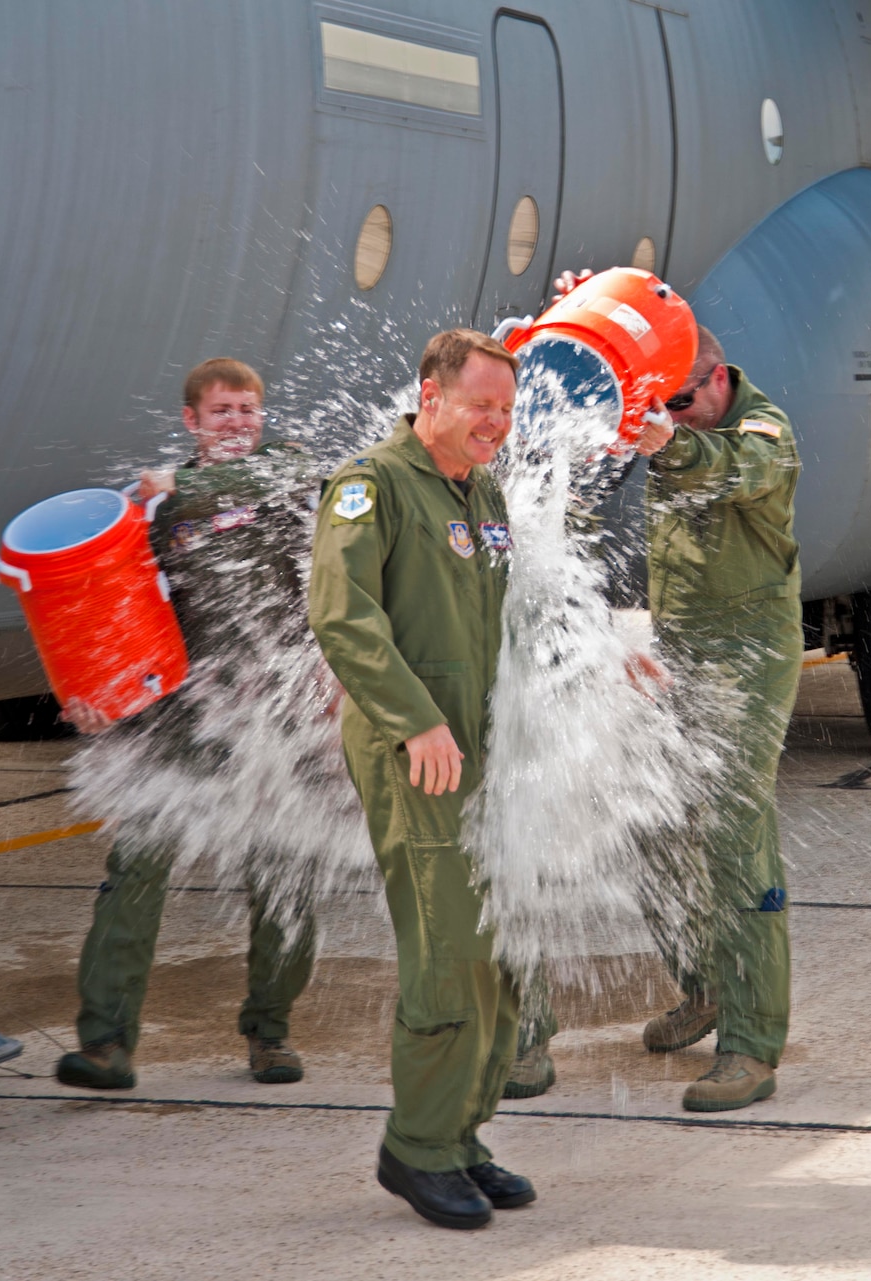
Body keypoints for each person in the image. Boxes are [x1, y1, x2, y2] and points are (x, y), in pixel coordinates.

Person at [505, 285, 801, 1113]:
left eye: (673, 405)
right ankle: (704, 982)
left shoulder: (761, 434)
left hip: (746, 658)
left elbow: (731, 471)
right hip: (675, 650)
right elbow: (640, 324)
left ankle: (751, 1044)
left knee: (735, 833)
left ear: (711, 386)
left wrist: (669, 438)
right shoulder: (678, 398)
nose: (656, 421)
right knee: (654, 824)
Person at [309, 329, 533, 1230]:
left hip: (480, 743)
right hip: (420, 749)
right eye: (483, 406)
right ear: (430, 395)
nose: (497, 424)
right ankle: (419, 1147)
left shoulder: (481, 488)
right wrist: (416, 721)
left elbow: (511, 611)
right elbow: (342, 615)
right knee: (447, 943)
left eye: (509, 411)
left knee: (495, 941)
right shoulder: (373, 484)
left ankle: (464, 1131)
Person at [57, 358, 321, 1092]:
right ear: (192, 422)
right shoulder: (156, 509)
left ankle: (270, 1031)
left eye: (248, 410)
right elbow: (109, 607)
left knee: (285, 873)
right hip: (183, 714)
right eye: (224, 412)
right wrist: (91, 693)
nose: (239, 423)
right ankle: (106, 1042)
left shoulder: (285, 471)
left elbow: (281, 481)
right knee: (136, 862)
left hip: (278, 710)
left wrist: (184, 484)